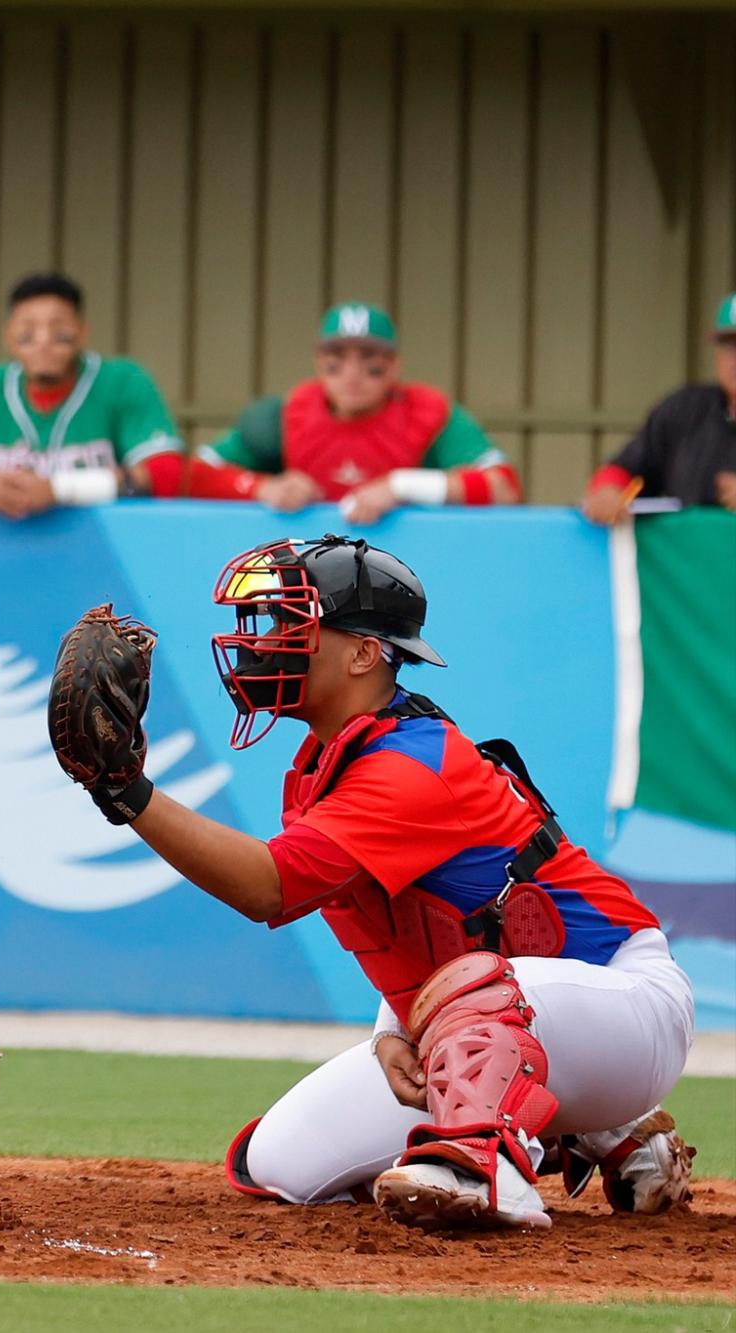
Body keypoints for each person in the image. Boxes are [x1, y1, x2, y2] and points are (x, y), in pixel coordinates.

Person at [46, 536, 695, 1231]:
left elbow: (268, 888)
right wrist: (393, 1028)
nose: (261, 644)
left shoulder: (409, 764)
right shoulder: (322, 765)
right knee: (282, 1161)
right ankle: (594, 1129)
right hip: (520, 1006)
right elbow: (423, 927)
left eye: (290, 624)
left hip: (625, 999)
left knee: (474, 987)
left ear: (363, 652)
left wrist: (128, 790)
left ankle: (492, 1164)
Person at [192, 306, 518, 524]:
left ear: (394, 366)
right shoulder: (288, 415)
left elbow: (503, 487)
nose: (352, 375)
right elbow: (196, 474)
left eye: (369, 361)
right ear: (319, 363)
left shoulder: (428, 413)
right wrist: (262, 488)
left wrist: (402, 486)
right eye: (337, 360)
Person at [0, 273, 183, 514]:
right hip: (5, 549)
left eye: (59, 332)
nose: (43, 343)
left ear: (82, 333)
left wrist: (58, 488)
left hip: (100, 551)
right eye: (27, 333)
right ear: (9, 336)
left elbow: (167, 474)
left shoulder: (122, 380)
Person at [583, 292, 736, 523]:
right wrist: (607, 492)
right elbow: (623, 469)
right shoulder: (686, 409)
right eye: (729, 345)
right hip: (689, 557)